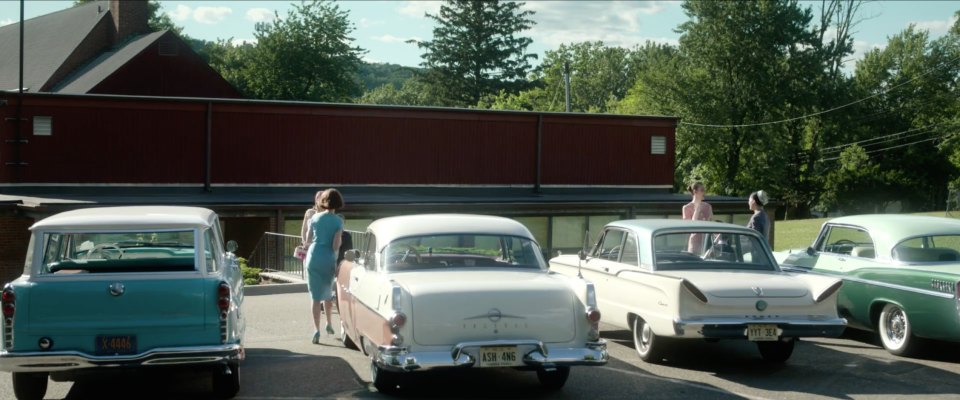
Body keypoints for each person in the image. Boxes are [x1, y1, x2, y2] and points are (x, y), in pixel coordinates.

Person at [302, 188, 344, 344]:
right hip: (328, 258)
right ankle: (329, 323)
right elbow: (335, 245)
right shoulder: (338, 221)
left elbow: (307, 240)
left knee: (314, 296)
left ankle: (316, 330)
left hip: (313, 257)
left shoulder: (314, 218)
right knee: (328, 292)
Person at [682, 182, 713, 253]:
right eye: (701, 190)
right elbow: (690, 227)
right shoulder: (686, 208)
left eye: (704, 190)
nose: (704, 192)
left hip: (706, 242)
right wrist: (697, 209)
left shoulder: (708, 206)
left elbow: (711, 225)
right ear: (695, 192)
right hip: (694, 242)